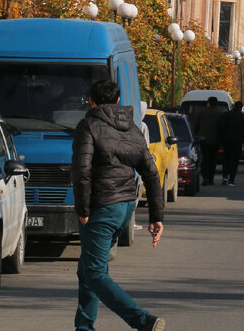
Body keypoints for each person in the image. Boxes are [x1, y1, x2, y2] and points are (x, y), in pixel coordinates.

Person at [71, 79, 164, 331]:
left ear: (91, 101)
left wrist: (82, 210)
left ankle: (143, 321)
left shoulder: (88, 126)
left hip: (102, 208)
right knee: (88, 269)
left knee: (95, 273)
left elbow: (81, 171)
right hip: (124, 207)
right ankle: (84, 327)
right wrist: (156, 216)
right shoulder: (132, 129)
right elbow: (151, 172)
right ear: (118, 101)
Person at [193, 96, 226, 186]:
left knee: (204, 159)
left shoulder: (201, 112)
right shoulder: (220, 113)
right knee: (212, 160)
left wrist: (196, 135)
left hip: (203, 139)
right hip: (215, 140)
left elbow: (195, 125)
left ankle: (205, 178)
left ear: (209, 103)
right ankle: (211, 179)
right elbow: (222, 127)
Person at [219, 101, 244, 185]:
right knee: (234, 161)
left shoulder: (226, 114)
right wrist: (242, 140)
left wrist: (223, 138)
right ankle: (231, 180)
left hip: (227, 140)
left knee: (226, 159)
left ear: (233, 106)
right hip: (237, 141)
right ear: (241, 107)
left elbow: (222, 127)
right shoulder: (242, 116)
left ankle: (225, 177)